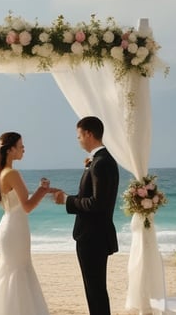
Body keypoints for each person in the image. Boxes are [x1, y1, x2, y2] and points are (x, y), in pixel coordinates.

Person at [0, 131, 54, 315]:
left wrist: (46, 191)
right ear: (10, 150)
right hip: (16, 230)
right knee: (17, 273)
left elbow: (20, 203)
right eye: (20, 145)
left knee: (12, 273)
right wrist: (43, 189)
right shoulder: (12, 173)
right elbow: (27, 206)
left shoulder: (1, 172)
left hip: (11, 227)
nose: (23, 148)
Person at [52, 116, 119, 315]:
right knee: (95, 289)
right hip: (94, 235)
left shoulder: (101, 163)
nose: (78, 140)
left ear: (89, 134)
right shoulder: (99, 161)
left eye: (79, 136)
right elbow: (91, 197)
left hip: (93, 237)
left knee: (95, 290)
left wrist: (67, 200)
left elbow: (97, 203)